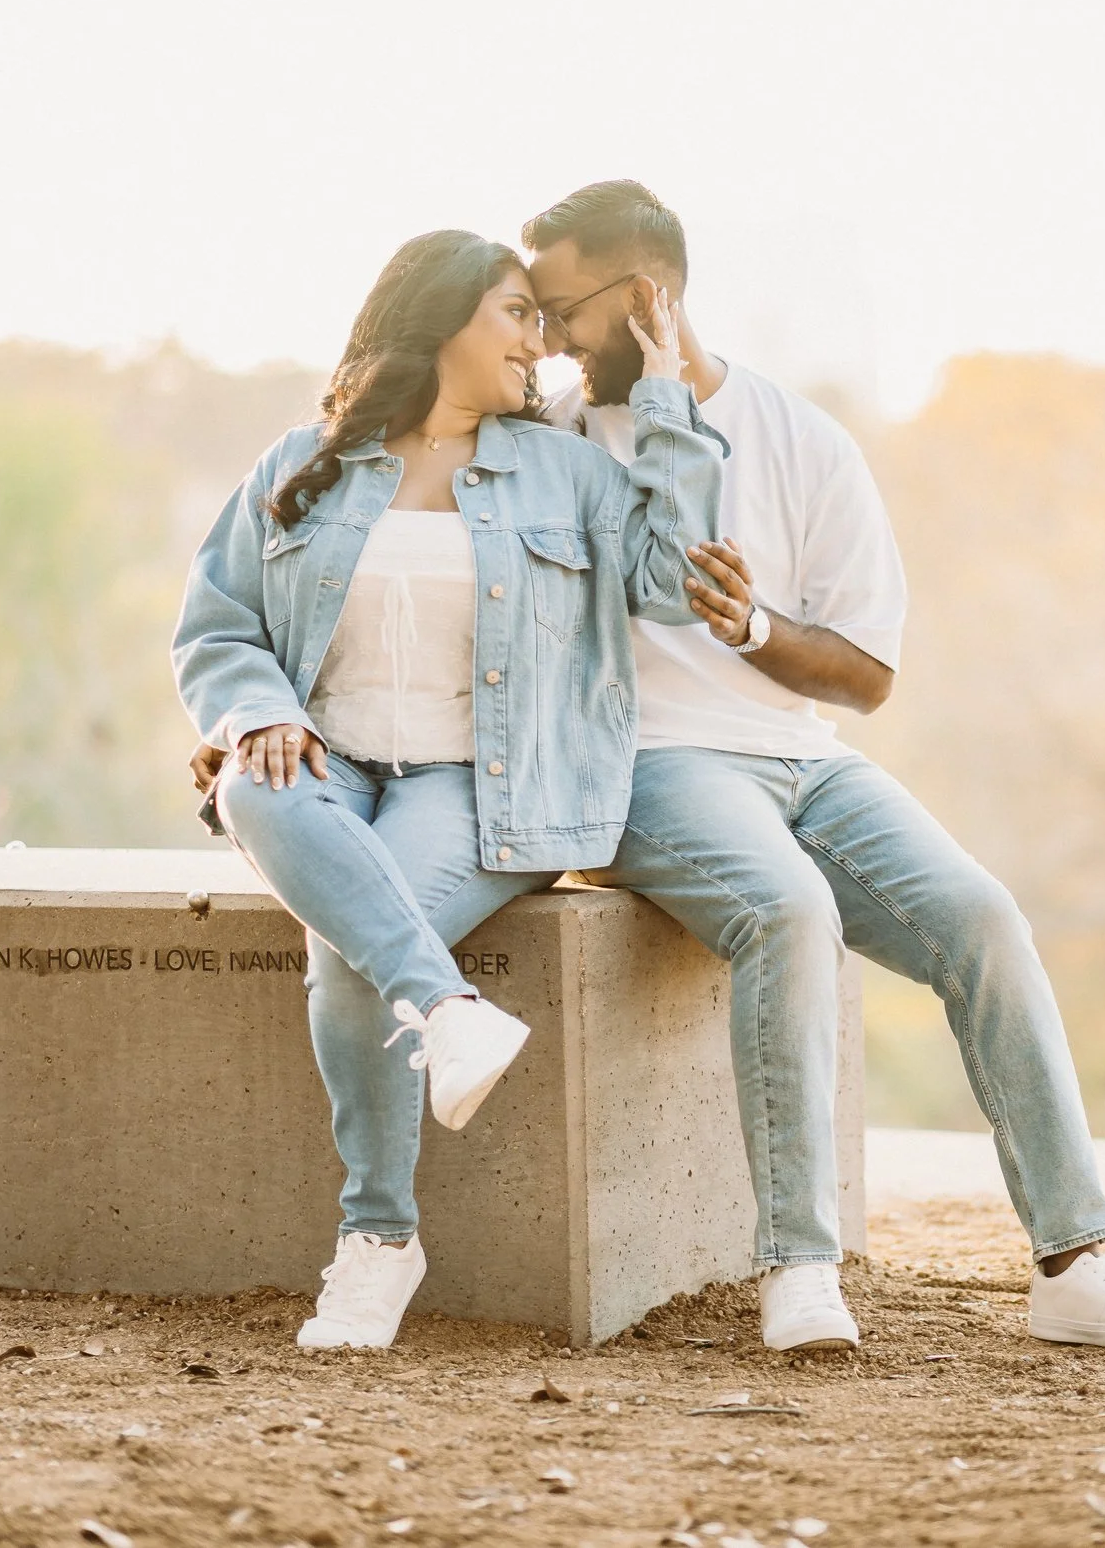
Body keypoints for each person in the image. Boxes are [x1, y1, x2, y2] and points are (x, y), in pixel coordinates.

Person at [516, 183, 1105, 1354]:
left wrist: (752, 630)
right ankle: (798, 1267)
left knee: (981, 918)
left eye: (561, 309)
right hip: (650, 766)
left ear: (648, 298)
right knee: (785, 910)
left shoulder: (801, 439)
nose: (546, 339)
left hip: (804, 761)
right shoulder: (549, 438)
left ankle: (1076, 1260)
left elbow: (866, 672)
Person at [173, 228, 726, 1351]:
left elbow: (669, 581)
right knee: (248, 786)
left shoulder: (565, 470)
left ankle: (376, 1242)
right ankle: (453, 1012)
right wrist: (259, 707)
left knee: (354, 944)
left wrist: (665, 396)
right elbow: (216, 625)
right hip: (319, 764)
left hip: (480, 785)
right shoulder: (299, 463)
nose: (542, 341)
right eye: (517, 313)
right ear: (442, 321)